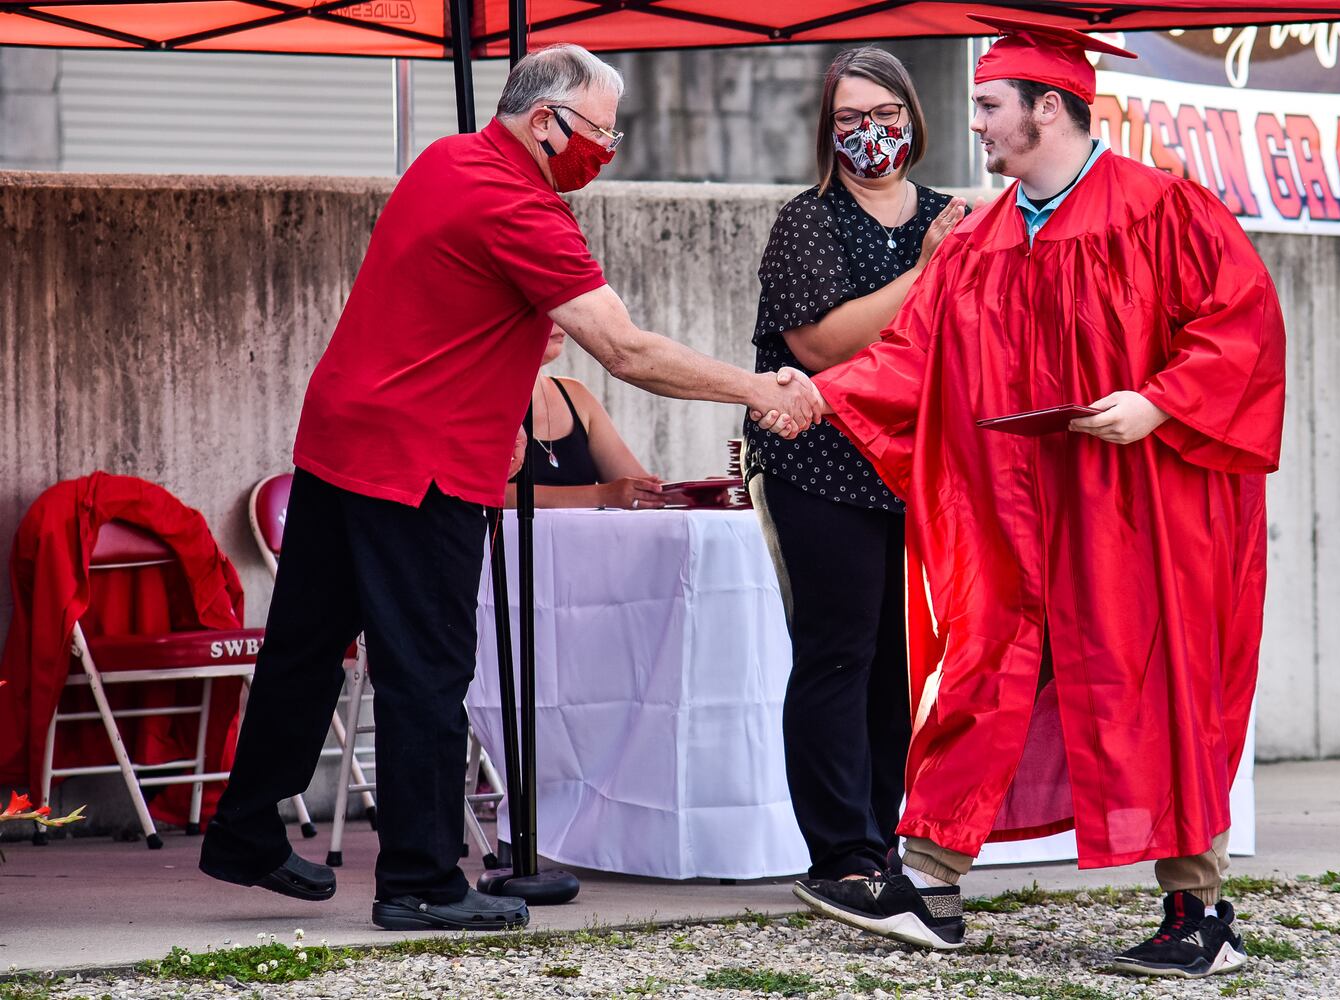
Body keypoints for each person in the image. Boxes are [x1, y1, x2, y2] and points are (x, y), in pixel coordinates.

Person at [199, 43, 821, 933]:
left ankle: (244, 830)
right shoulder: (519, 204)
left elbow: (452, 304)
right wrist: (761, 389)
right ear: (545, 121)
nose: (605, 154)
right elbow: (625, 349)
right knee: (428, 668)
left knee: (304, 647)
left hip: (341, 439)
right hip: (420, 462)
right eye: (600, 135)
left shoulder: (446, 160)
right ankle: (419, 879)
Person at [785, 17, 1285, 979]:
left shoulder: (1163, 211)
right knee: (985, 670)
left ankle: (1198, 913)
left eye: (987, 106)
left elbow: (1244, 328)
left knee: (1163, 684)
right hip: (1016, 508)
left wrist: (1159, 401)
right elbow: (912, 356)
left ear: (1045, 109)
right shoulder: (979, 240)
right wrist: (819, 397)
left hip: (1143, 505)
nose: (973, 126)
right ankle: (930, 885)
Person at [745, 47, 965, 884]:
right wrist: (923, 271)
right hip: (820, 463)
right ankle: (840, 851)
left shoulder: (950, 215)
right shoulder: (811, 221)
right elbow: (823, 344)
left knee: (901, 666)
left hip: (916, 469)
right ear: (826, 133)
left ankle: (884, 838)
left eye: (883, 116)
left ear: (912, 117)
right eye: (849, 120)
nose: (868, 134)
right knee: (838, 650)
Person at [507, 324, 665, 511]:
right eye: (546, 309)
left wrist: (698, 493)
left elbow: (640, 489)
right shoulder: (476, 397)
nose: (560, 321)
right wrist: (602, 495)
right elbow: (482, 495)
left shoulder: (576, 395)